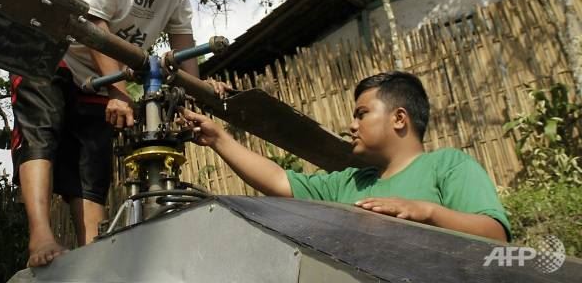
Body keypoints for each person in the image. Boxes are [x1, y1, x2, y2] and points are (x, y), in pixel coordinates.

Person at [11, 0, 227, 267]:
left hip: (106, 69)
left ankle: (92, 255)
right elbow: (93, 23)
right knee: (41, 134)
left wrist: (197, 94)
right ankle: (40, 236)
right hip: (50, 50)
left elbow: (182, 36)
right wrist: (119, 91)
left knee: (91, 160)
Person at [180, 71, 511, 242]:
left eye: (362, 114)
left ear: (399, 118)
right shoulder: (350, 182)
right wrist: (219, 139)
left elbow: (495, 235)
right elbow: (281, 181)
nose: (350, 125)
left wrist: (425, 211)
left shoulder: (448, 165)